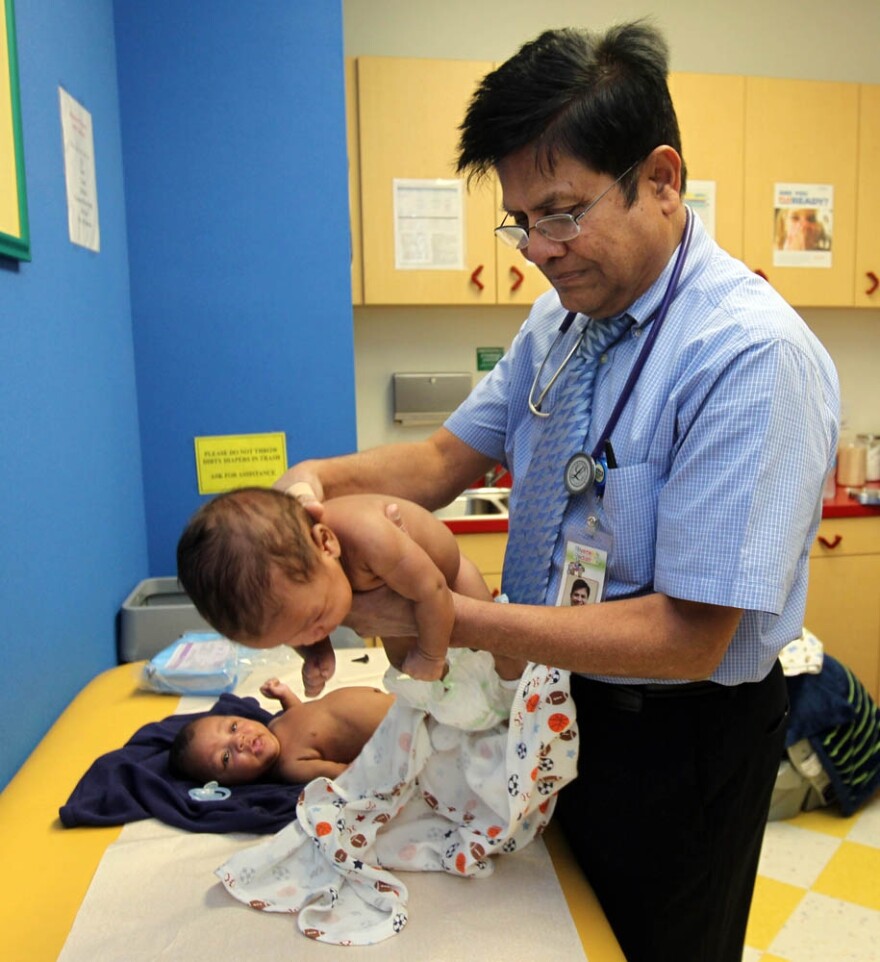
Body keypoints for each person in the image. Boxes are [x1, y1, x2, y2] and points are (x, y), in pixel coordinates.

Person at [274, 21, 839, 962]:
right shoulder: (562, 318)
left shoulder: (749, 357)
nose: (538, 246)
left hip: (676, 738)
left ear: (662, 179)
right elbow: (445, 460)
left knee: (654, 942)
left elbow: (687, 639)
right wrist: (312, 486)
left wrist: (449, 617)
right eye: (520, 219)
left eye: (562, 213)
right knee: (552, 929)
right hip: (556, 705)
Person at [177, 487, 523, 694]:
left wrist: (433, 655)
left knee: (501, 657)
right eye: (292, 635)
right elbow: (302, 621)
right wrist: (315, 653)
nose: (312, 633)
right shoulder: (307, 585)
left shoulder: (368, 538)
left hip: (448, 577)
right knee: (408, 669)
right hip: (397, 594)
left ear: (326, 543)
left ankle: (516, 711)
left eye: (314, 619)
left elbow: (433, 590)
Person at [169, 676, 395, 785]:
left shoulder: (274, 726)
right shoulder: (291, 766)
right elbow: (346, 773)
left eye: (233, 727)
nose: (239, 740)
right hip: (400, 730)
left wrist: (285, 695)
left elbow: (303, 718)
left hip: (403, 698)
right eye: (226, 757)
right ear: (232, 783)